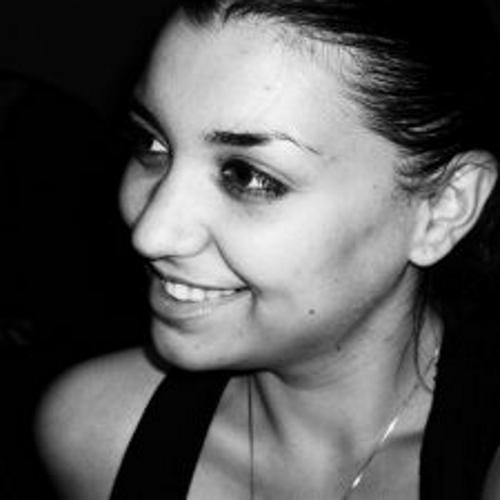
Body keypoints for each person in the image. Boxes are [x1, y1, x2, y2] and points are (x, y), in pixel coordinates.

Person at [36, 0, 500, 498]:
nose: (151, 233)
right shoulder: (96, 435)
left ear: (443, 208)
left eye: (249, 177)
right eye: (152, 145)